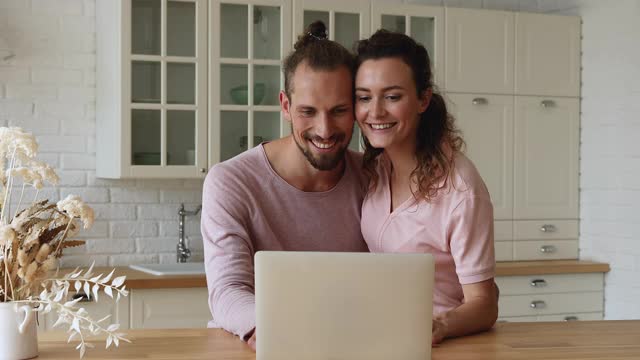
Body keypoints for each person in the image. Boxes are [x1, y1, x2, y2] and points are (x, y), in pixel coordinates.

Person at [201, 21, 368, 351]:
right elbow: (228, 290)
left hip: (353, 345)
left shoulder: (372, 175)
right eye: (308, 111)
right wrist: (271, 329)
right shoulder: (232, 181)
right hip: (265, 344)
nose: (324, 129)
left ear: (356, 110)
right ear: (286, 106)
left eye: (339, 111)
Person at [353, 30, 498, 345]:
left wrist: (438, 325)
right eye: (364, 97)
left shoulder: (460, 190)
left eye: (392, 96)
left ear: (423, 99)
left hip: (442, 345)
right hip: (384, 339)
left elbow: (484, 305)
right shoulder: (375, 169)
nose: (374, 111)